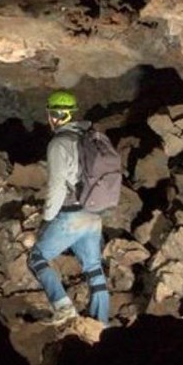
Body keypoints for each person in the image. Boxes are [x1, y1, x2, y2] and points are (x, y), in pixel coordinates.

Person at [27, 89, 111, 324]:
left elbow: (56, 186)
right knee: (94, 269)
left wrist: (47, 218)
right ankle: (101, 324)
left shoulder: (58, 144)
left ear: (54, 115)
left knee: (37, 258)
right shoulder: (88, 138)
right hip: (93, 214)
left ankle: (63, 307)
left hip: (71, 216)